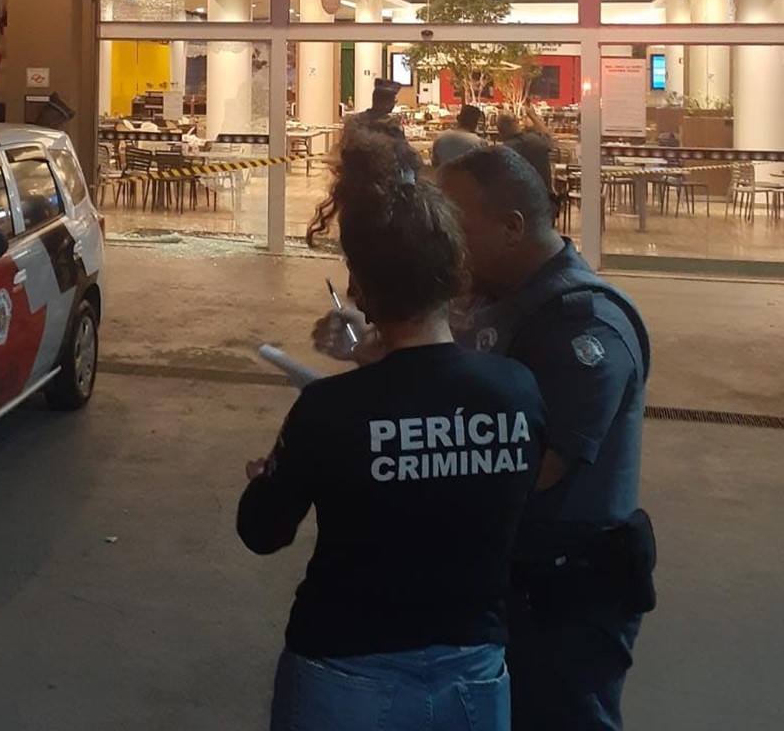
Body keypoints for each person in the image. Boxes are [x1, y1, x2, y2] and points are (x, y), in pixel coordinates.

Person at [239, 133, 546, 731]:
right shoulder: (516, 391)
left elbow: (262, 530)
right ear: (455, 274)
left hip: (343, 673)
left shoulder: (329, 411)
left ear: (359, 286)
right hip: (476, 676)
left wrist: (273, 476)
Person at [437, 147, 654, 731]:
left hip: (563, 596)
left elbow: (541, 467)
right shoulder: (490, 301)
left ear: (510, 228)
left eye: (452, 221)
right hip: (502, 580)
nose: (439, 236)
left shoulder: (582, 324)